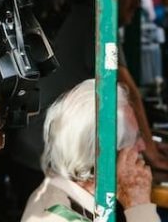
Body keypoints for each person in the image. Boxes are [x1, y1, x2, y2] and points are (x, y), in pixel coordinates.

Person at [7, 0, 168, 211]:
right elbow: (129, 94)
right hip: (44, 146)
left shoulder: (85, 18)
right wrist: (153, 157)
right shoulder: (97, 22)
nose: (136, 4)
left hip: (46, 145)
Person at [21, 79, 160, 222]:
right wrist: (138, 204)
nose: (143, 146)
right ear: (107, 157)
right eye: (136, 138)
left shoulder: (60, 195)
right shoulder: (60, 216)